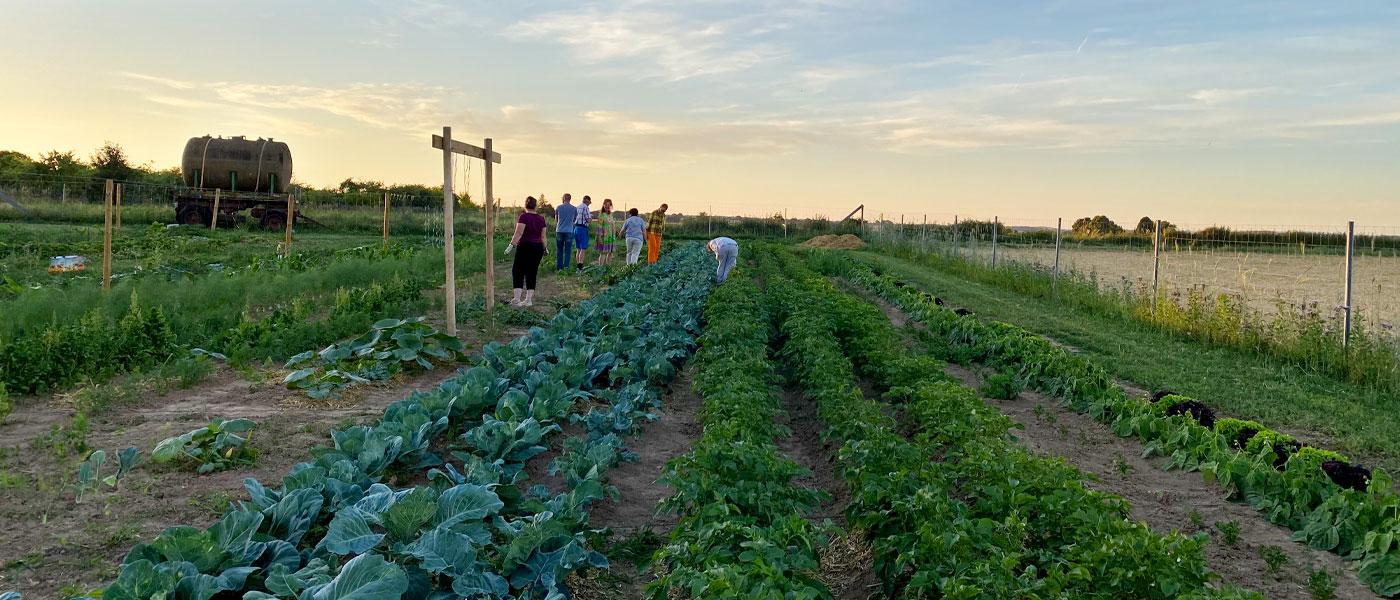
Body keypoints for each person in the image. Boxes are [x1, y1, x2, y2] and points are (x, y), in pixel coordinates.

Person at [506, 196, 548, 306]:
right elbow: (543, 237)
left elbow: (518, 234)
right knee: (532, 272)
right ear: (536, 206)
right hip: (538, 247)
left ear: (526, 205)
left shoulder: (523, 217)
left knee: (518, 270)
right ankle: (528, 300)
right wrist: (545, 248)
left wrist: (511, 245)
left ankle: (517, 299)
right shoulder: (541, 219)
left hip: (525, 246)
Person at [554, 193, 576, 271]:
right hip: (569, 231)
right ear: (570, 199)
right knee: (567, 250)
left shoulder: (558, 207)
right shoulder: (574, 208)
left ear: (563, 198)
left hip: (559, 230)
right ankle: (566, 267)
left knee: (559, 250)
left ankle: (559, 268)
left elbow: (556, 219)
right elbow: (574, 220)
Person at [593, 198, 617, 265]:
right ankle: (600, 268)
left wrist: (614, 233)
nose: (607, 206)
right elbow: (599, 227)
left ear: (611, 206)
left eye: (609, 205)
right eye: (606, 204)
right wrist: (599, 237)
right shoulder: (601, 215)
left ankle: (607, 269)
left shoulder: (610, 215)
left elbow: (613, 225)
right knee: (603, 253)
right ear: (603, 205)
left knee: (610, 253)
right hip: (603, 237)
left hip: (611, 237)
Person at [573, 195, 592, 270]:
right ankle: (580, 267)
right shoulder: (585, 207)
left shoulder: (577, 207)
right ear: (588, 200)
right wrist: (591, 217)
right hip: (583, 229)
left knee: (578, 249)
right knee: (583, 248)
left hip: (576, 228)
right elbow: (588, 220)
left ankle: (578, 266)